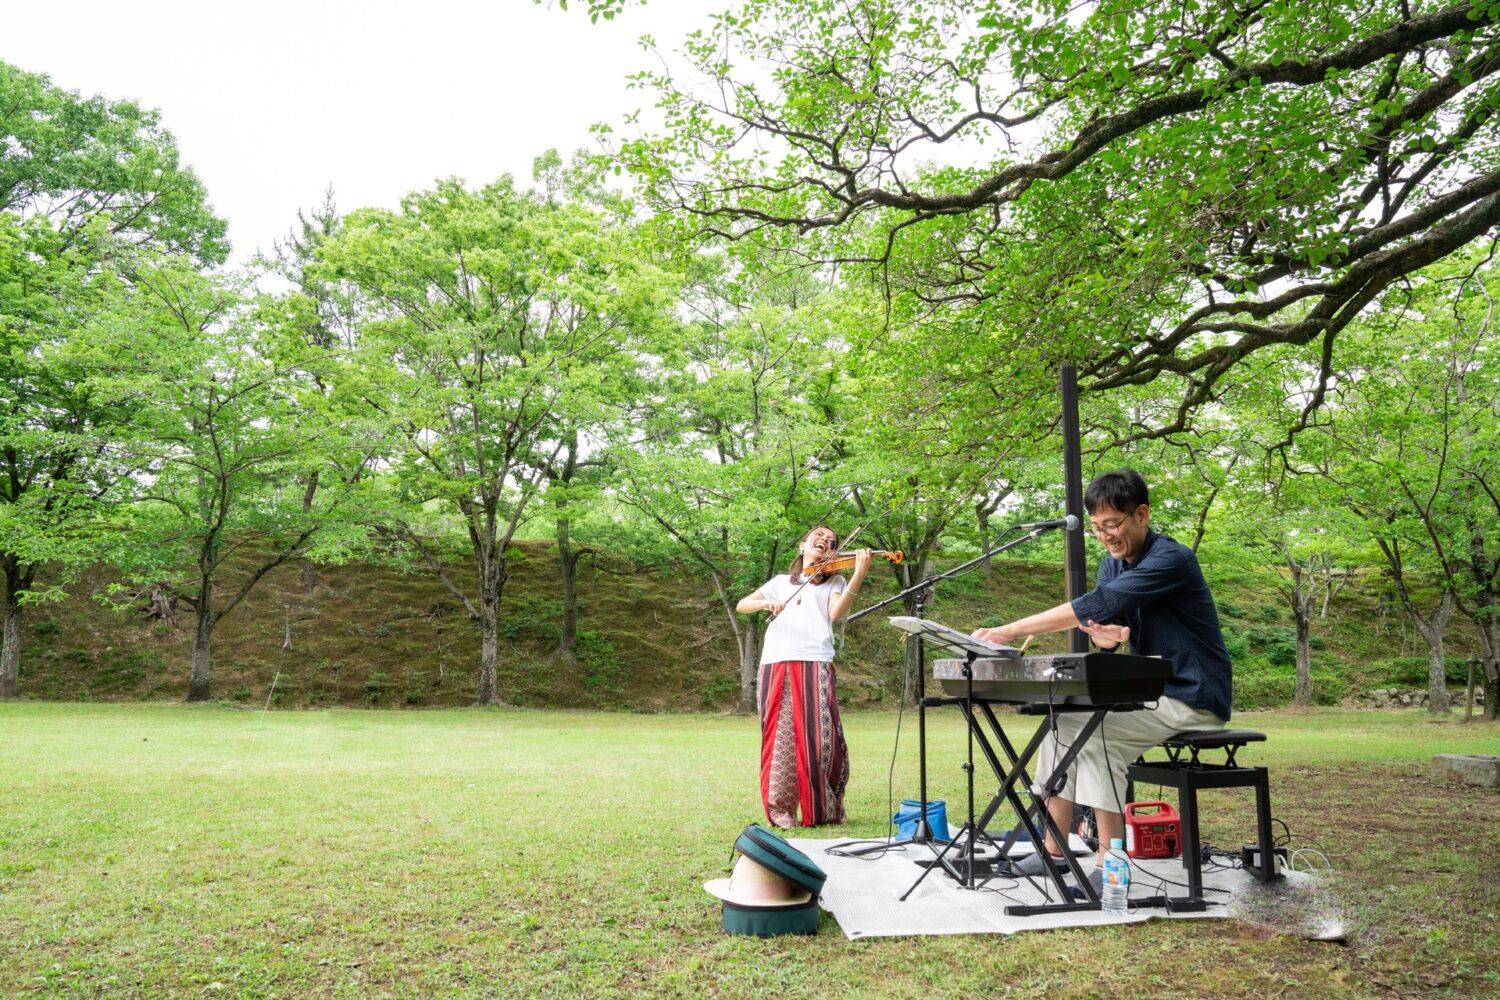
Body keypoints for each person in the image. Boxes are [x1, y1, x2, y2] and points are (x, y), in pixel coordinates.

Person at [971, 470, 1232, 891]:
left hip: (1193, 696)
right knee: (1064, 723)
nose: (1106, 536)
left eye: (1113, 524)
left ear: (1142, 514)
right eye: (1097, 528)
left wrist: (1010, 630)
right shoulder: (1112, 565)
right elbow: (1110, 621)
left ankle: (1113, 864)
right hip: (1151, 693)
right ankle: (1051, 849)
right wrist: (1108, 640)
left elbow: (1099, 603)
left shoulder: (1172, 559)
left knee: (1096, 735)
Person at [737, 527, 871, 828]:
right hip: (776, 661)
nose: (826, 541)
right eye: (819, 537)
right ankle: (781, 812)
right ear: (803, 545)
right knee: (780, 739)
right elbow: (742, 604)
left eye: (832, 542)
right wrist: (766, 603)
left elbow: (834, 614)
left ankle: (823, 810)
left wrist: (858, 574)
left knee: (820, 740)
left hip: (815, 661)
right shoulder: (780, 582)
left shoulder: (835, 579)